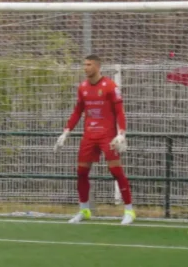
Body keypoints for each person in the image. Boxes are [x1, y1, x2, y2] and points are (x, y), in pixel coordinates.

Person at [55, 54, 135, 225]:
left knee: (116, 171)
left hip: (107, 136)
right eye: (84, 64)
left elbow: (120, 112)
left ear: (97, 67)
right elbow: (77, 111)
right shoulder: (83, 87)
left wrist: (121, 133)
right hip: (89, 135)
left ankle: (129, 210)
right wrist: (66, 131)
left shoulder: (110, 86)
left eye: (89, 64)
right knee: (81, 172)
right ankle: (84, 210)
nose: (85, 68)